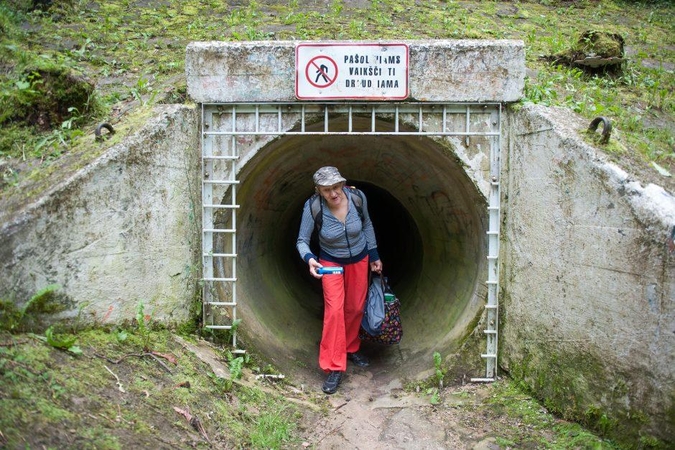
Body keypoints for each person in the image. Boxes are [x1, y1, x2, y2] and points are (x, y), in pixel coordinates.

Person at [296, 166, 383, 394]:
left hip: (359, 258)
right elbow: (302, 240)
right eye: (326, 190)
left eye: (336, 187)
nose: (333, 193)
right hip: (330, 263)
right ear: (318, 191)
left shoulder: (357, 197)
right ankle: (334, 365)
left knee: (355, 308)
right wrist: (309, 259)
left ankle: (351, 347)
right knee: (335, 311)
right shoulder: (313, 207)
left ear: (342, 184)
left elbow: (367, 225)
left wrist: (374, 256)